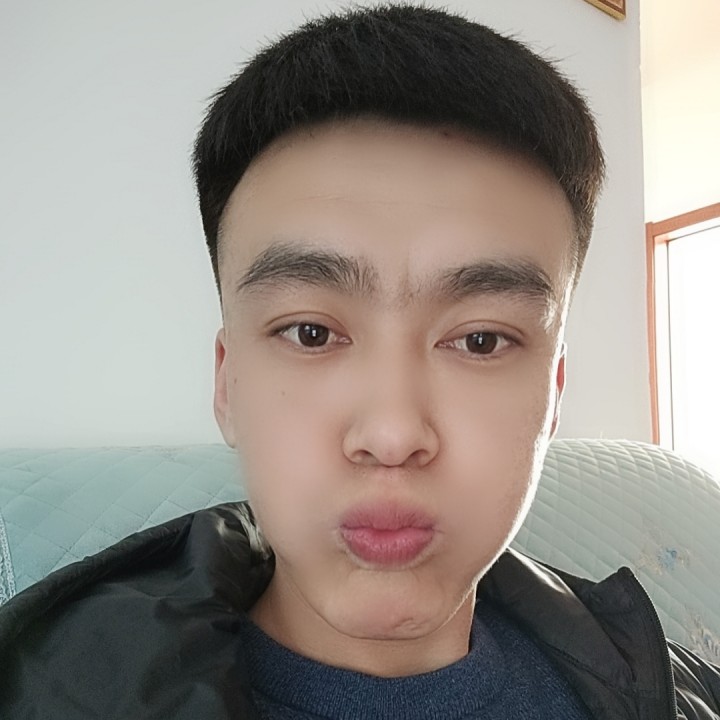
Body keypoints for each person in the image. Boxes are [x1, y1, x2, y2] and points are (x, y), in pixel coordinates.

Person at [0, 4, 718, 719]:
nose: (393, 434)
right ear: (227, 384)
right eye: (311, 333)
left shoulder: (677, 689)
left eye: (480, 340)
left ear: (553, 395)